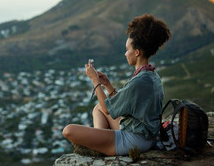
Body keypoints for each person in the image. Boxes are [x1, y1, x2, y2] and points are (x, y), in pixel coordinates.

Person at [63, 14, 171, 156]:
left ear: (137, 52)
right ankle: (101, 143)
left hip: (135, 140)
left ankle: (101, 147)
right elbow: (119, 105)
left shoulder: (140, 81)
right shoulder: (151, 74)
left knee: (68, 130)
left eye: (127, 49)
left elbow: (108, 109)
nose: (125, 54)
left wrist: (95, 80)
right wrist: (107, 84)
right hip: (146, 133)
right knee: (98, 109)